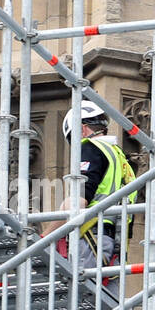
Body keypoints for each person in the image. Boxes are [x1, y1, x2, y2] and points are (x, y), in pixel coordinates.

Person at [59, 99, 139, 299]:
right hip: (114, 246)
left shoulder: (90, 147)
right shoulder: (121, 159)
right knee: (105, 308)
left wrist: (48, 234)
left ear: (82, 129)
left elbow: (78, 201)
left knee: (81, 304)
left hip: (91, 239)